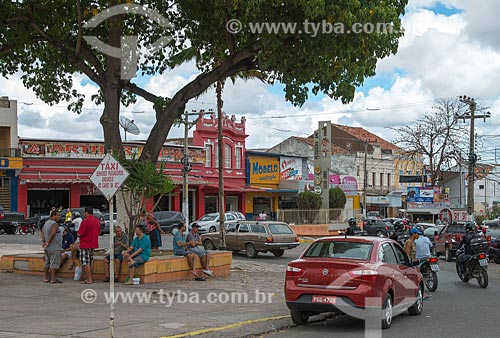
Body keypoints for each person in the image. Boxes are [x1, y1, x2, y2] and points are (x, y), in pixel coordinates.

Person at [77, 206, 101, 284]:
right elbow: (99, 232)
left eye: (84, 212)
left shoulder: (85, 221)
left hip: (85, 243)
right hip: (93, 243)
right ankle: (86, 277)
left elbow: (80, 233)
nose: (83, 214)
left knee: (85, 262)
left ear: (86, 212)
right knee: (90, 261)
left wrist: (78, 234)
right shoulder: (97, 221)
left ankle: (89, 279)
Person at [40, 210, 63, 283]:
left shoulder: (46, 223)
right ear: (53, 216)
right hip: (54, 247)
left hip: (47, 248)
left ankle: (46, 278)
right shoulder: (54, 224)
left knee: (47, 262)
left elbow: (42, 233)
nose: (59, 217)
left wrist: (43, 242)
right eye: (58, 215)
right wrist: (48, 242)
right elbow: (53, 233)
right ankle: (53, 279)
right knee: (54, 263)